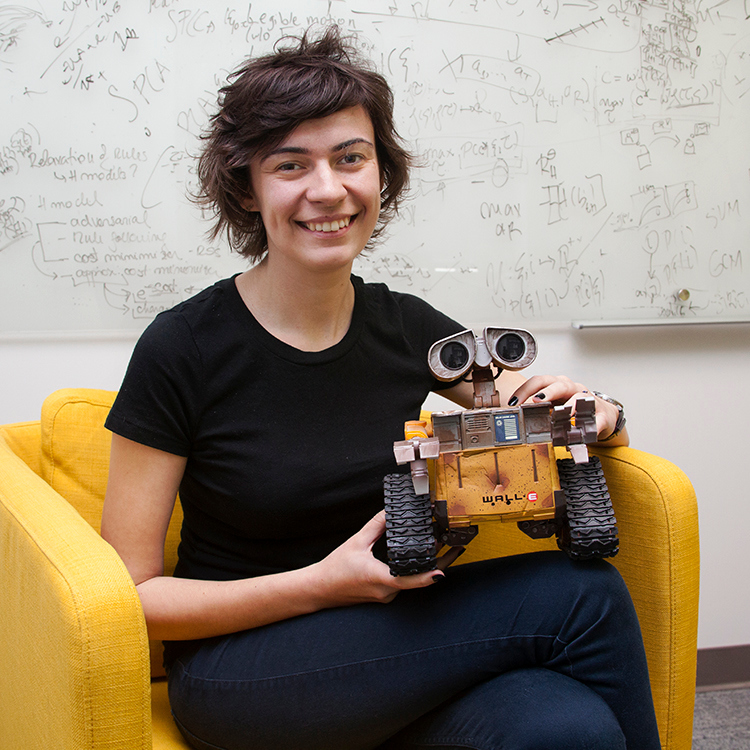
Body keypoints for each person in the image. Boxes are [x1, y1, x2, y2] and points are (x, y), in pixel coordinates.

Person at [101, 26, 661, 750]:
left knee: (564, 725)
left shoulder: (405, 327)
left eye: (350, 158)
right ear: (246, 187)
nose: (327, 189)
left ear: (380, 174)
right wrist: (320, 584)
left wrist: (600, 413)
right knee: (583, 595)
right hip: (241, 668)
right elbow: (130, 602)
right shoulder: (183, 347)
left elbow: (541, 403)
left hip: (385, 642)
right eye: (290, 165)